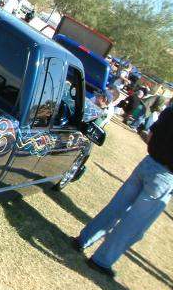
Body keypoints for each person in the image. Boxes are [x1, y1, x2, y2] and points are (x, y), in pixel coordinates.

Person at [72, 106, 173, 278]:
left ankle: (84, 239)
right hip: (165, 175)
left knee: (116, 207)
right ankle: (102, 259)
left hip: (148, 163)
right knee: (133, 224)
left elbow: (150, 135)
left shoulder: (170, 111)